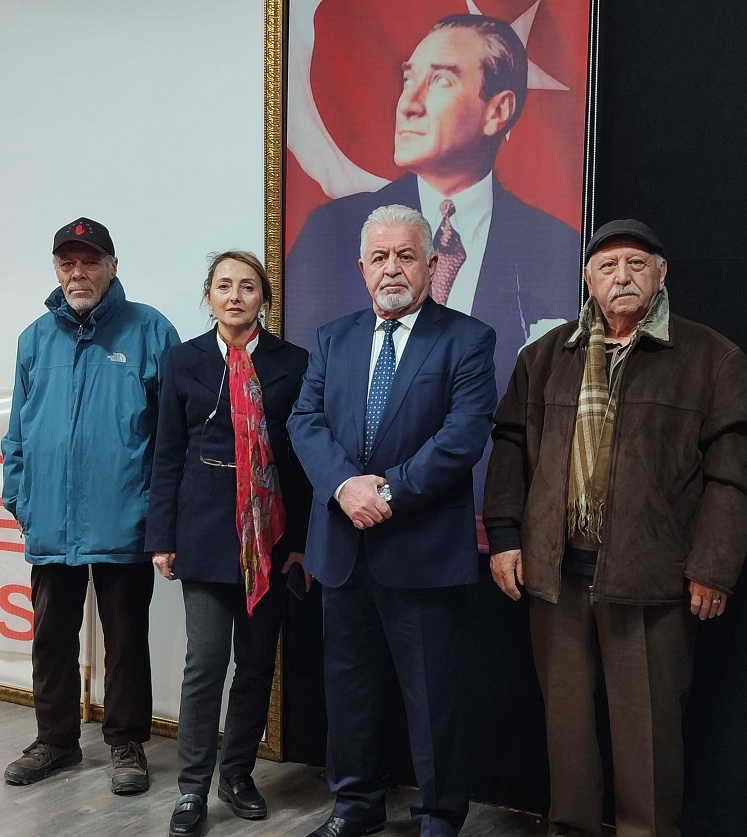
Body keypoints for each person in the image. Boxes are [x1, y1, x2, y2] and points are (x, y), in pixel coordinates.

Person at [483, 219, 747, 837]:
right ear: (588, 279)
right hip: (556, 575)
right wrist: (505, 538)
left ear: (661, 275)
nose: (622, 277)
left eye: (637, 264)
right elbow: (510, 447)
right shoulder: (545, 356)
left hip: (652, 579)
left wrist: (713, 567)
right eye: (608, 266)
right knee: (566, 729)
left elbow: (732, 476)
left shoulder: (712, 358)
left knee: (647, 734)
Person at [288, 205, 498, 837]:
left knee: (433, 698)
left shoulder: (467, 339)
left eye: (406, 255)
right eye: (379, 257)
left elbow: (463, 437)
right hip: (342, 547)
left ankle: (439, 815)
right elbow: (305, 421)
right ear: (362, 268)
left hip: (422, 550)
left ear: (431, 264)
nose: (392, 268)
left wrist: (387, 492)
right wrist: (343, 487)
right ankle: (355, 805)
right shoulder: (332, 338)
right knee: (348, 690)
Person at [285, 13, 580, 396]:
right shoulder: (333, 231)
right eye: (409, 79)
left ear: (497, 111)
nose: (408, 104)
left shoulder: (554, 247)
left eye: (440, 80)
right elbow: (306, 387)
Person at [2, 217, 179, 793]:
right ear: (58, 269)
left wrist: (157, 511)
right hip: (51, 520)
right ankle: (55, 741)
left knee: (125, 639)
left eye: (90, 261)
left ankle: (126, 743)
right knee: (51, 637)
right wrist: (21, 497)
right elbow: (18, 431)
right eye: (68, 262)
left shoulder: (151, 331)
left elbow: (172, 434)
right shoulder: (34, 338)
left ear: (112, 266)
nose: (78, 272)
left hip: (124, 518)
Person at [145, 251, 311, 837]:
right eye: (224, 286)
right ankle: (192, 788)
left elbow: (300, 460)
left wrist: (300, 541)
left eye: (247, 287)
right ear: (209, 296)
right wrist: (162, 536)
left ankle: (237, 774)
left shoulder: (293, 362)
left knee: (257, 664)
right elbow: (166, 452)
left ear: (264, 298)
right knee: (206, 664)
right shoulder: (183, 359)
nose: (235, 296)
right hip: (202, 530)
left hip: (269, 535)